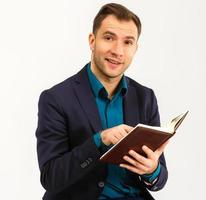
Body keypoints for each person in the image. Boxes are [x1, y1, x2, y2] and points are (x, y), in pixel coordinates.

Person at [35, 3, 168, 200]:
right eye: (109, 38)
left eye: (128, 42)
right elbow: (51, 177)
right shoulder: (56, 99)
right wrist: (100, 140)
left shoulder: (145, 97)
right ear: (92, 41)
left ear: (135, 48)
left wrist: (152, 170)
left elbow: (160, 178)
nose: (118, 51)